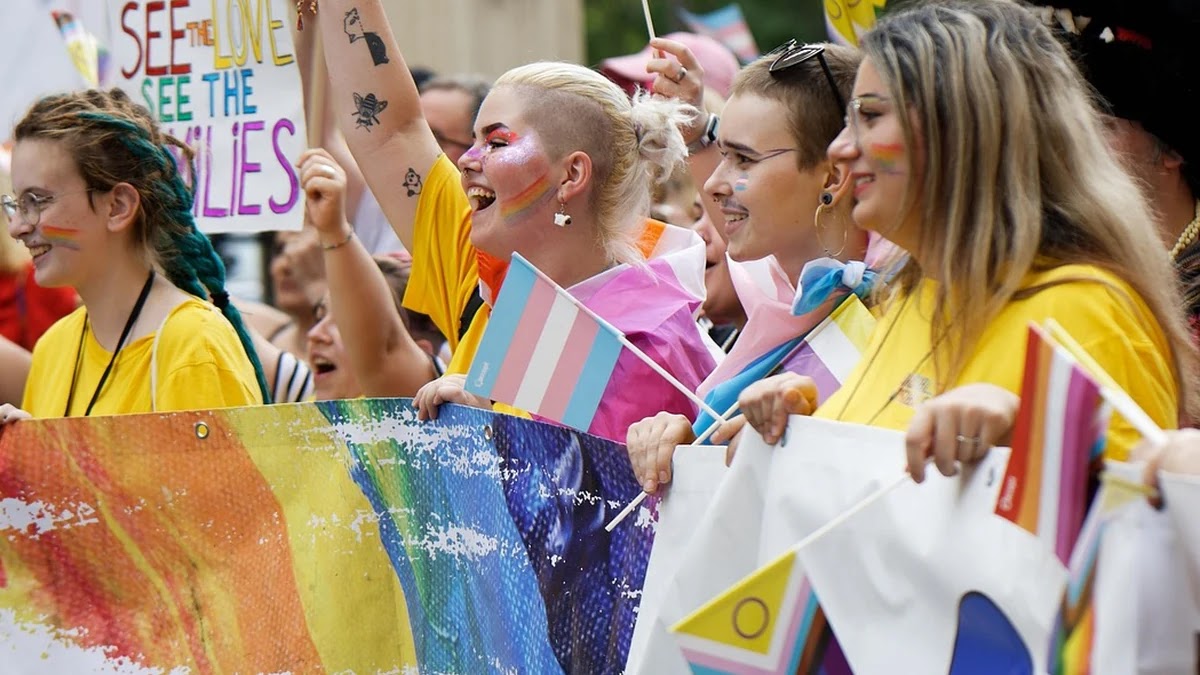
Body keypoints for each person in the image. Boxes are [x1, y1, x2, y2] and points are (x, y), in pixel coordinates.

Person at [732, 0, 1196, 468]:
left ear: (964, 132)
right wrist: (804, 424)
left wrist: (1029, 437)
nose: (840, 148)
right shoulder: (909, 295)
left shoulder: (1084, 313)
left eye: (870, 117)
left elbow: (1129, 525)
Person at [300, 0, 717, 443]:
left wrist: (491, 429)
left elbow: (583, 508)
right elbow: (391, 132)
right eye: (474, 140)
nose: (465, 161)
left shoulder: (642, 344)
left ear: (572, 175)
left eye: (497, 142)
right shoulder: (491, 277)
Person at [625, 39, 874, 494]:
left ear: (834, 176)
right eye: (721, 155)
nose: (717, 184)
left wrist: (805, 437)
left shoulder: (896, 312)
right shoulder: (786, 295)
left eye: (743, 158)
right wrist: (689, 444)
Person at [0, 88, 267, 424]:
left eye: (37, 201)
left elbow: (226, 478)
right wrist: (32, 459)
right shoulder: (53, 348)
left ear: (118, 206)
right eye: (16, 205)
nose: (17, 228)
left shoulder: (194, 348)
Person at [299, 148, 440, 399]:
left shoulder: (417, 408)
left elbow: (382, 350)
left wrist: (335, 231)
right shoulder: (303, 393)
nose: (315, 335)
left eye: (345, 324)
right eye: (319, 316)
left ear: (422, 353)